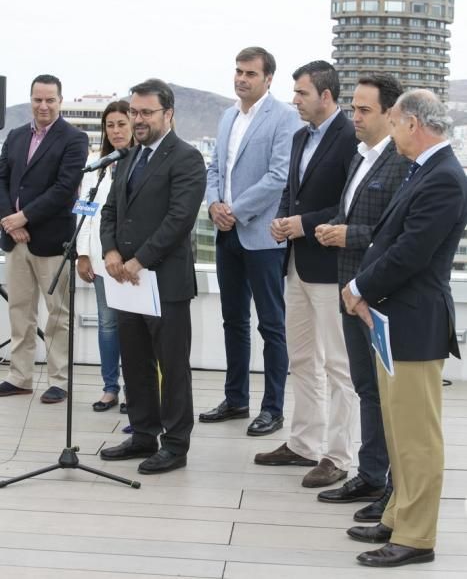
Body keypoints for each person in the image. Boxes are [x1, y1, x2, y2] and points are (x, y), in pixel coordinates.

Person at [342, 90, 467, 568]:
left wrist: (357, 286)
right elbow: (389, 238)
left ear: (412, 123)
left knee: (417, 436)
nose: (389, 133)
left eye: (393, 123)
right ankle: (397, 515)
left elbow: (411, 253)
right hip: (393, 319)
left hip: (414, 320)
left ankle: (416, 538)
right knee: (397, 428)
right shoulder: (424, 170)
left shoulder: (445, 178)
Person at [255, 61, 358, 486]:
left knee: (338, 365)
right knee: (302, 358)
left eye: (301, 93)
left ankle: (338, 456)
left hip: (331, 267)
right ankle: (303, 443)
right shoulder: (300, 137)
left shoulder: (351, 138)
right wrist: (283, 220)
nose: (294, 100)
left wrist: (303, 224)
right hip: (295, 263)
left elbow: (349, 205)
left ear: (326, 96)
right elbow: (289, 192)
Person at [99, 78, 206, 474]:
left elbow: (179, 220)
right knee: (136, 360)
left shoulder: (186, 158)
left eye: (146, 112)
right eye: (134, 112)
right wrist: (110, 251)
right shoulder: (127, 157)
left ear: (169, 114)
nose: (137, 119)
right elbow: (110, 211)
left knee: (172, 366)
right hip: (126, 282)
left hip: (164, 281)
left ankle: (175, 444)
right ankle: (143, 433)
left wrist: (138, 260)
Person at [314, 74, 409, 518]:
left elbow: (400, 233)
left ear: (391, 114)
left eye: (364, 109)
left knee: (388, 394)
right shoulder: (359, 157)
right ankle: (371, 474)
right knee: (366, 389)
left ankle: (391, 485)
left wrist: (348, 234)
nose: (355, 116)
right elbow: (350, 212)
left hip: (381, 298)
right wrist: (333, 225)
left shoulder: (402, 162)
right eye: (354, 107)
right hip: (349, 291)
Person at [198, 47, 300, 436]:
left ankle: (272, 408)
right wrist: (214, 207)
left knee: (272, 325)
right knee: (233, 320)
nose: (241, 79)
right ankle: (236, 399)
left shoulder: (284, 118)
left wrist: (235, 210)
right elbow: (214, 168)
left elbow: (278, 176)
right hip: (226, 233)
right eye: (238, 71)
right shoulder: (227, 116)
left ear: (268, 78)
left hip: (262, 236)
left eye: (250, 74)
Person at [0, 74, 88, 403]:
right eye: (38, 99)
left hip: (52, 241)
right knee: (20, 311)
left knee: (58, 313)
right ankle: (20, 376)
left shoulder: (74, 139)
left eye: (50, 100)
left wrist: (24, 217)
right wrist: (11, 222)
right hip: (15, 239)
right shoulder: (16, 135)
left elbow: (65, 189)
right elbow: (2, 179)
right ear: (31, 100)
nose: (43, 106)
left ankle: (59, 380)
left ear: (60, 101)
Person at [77, 100, 134, 412]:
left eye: (121, 124)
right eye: (110, 125)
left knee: (133, 327)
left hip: (132, 263)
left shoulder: (141, 162)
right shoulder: (96, 167)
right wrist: (82, 254)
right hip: (100, 262)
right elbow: (85, 213)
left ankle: (134, 390)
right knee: (108, 324)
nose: (115, 131)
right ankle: (110, 388)